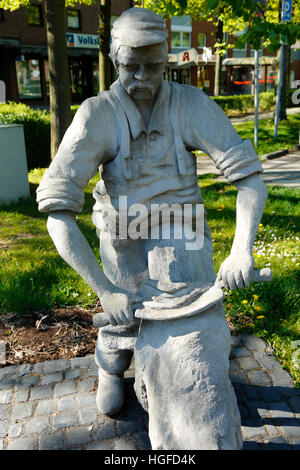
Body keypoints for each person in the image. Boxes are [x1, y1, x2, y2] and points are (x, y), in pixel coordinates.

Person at [37, 7, 268, 449]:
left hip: (184, 235)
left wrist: (242, 249)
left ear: (168, 58)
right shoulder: (96, 115)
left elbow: (250, 180)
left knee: (190, 328)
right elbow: (57, 214)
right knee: (123, 317)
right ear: (114, 59)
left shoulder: (191, 104)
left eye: (154, 66)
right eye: (130, 67)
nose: (142, 77)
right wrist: (104, 289)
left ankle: (195, 382)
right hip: (123, 235)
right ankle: (111, 362)